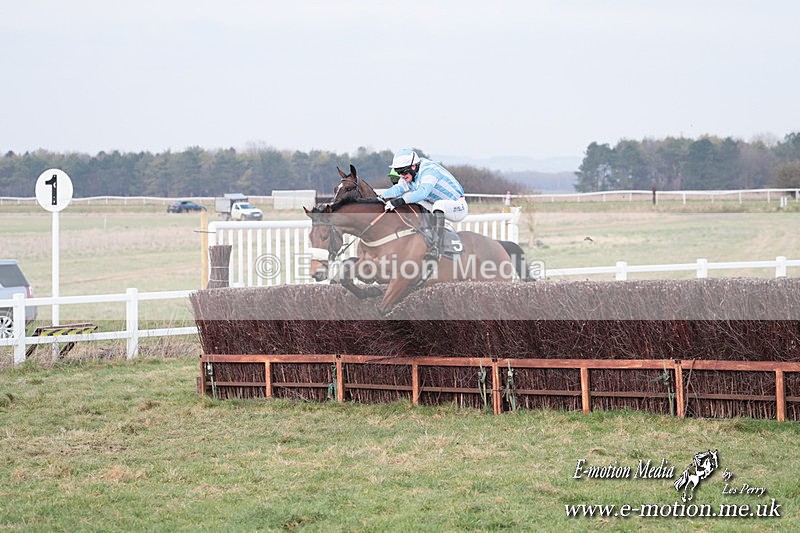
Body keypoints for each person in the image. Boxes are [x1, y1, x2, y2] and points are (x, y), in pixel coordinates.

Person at [381, 149, 468, 260]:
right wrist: (379, 197)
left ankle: (435, 248)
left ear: (413, 166)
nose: (401, 175)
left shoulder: (429, 170)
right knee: (409, 198)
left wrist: (398, 201)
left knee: (437, 205)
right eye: (398, 172)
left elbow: (422, 193)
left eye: (403, 172)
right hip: (434, 205)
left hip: (457, 207)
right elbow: (398, 189)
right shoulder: (410, 173)